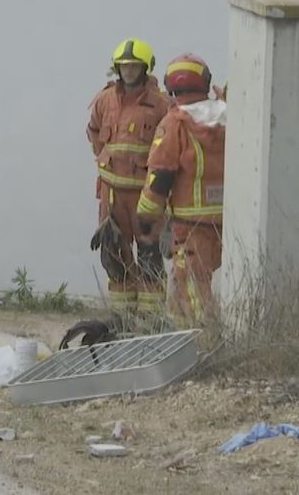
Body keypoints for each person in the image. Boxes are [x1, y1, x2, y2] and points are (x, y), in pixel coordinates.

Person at [136, 54, 227, 328]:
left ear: (171, 87)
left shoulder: (175, 123)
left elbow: (161, 173)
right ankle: (178, 341)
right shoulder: (227, 115)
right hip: (227, 220)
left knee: (193, 288)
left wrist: (146, 216)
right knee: (180, 284)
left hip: (190, 223)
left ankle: (204, 343)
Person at [85, 38, 171, 320]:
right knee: (114, 255)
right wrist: (104, 161)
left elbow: (170, 146)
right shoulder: (105, 99)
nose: (129, 71)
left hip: (146, 196)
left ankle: (149, 320)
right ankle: (121, 318)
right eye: (124, 66)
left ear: (145, 68)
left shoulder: (160, 105)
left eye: (135, 66)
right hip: (112, 196)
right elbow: (94, 131)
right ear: (117, 68)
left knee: (149, 255)